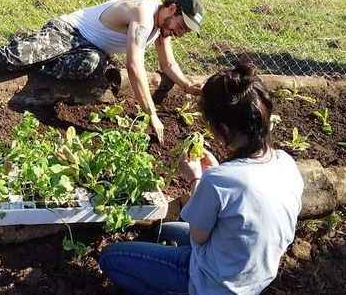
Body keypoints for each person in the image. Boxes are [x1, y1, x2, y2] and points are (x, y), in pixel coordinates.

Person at [99, 63, 304, 294]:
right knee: (169, 230)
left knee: (111, 257)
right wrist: (216, 171)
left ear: (224, 128)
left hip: (212, 282)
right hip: (252, 276)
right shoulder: (286, 163)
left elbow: (198, 234)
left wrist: (196, 179)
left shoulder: (219, 180)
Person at [0, 0, 205, 142]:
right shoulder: (144, 12)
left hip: (89, 49)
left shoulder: (161, 29)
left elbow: (167, 64)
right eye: (182, 25)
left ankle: (33, 52)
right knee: (13, 59)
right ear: (172, 9)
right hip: (68, 32)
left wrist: (188, 86)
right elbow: (133, 64)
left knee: (91, 64)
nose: (181, 32)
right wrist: (151, 114)